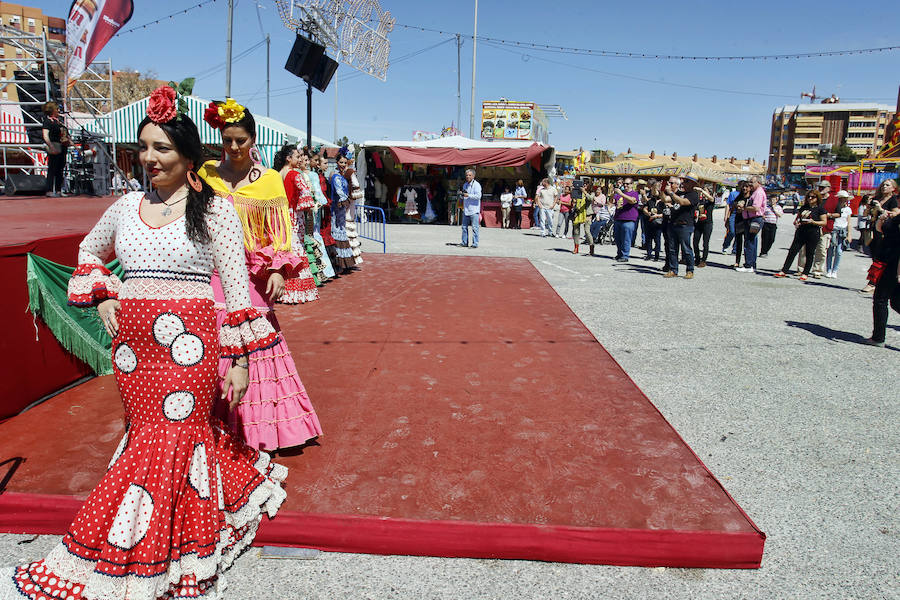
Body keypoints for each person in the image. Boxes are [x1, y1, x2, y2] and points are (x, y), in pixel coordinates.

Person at [1, 85, 287, 599]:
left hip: (192, 347)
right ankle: (157, 528)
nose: (149, 158)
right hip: (135, 350)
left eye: (162, 148)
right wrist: (105, 296)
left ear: (188, 155)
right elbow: (89, 248)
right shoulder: (126, 205)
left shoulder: (215, 211)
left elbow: (238, 290)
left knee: (171, 436)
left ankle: (145, 543)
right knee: (148, 438)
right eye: (144, 147)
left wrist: (240, 360)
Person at [200, 98, 322, 450]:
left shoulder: (268, 181)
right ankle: (214, 424)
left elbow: (282, 233)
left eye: (241, 140)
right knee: (216, 341)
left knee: (256, 345)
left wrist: (281, 271)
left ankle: (268, 431)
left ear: (253, 139)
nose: (235, 147)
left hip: (253, 278)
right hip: (212, 273)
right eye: (228, 141)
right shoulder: (206, 175)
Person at [273, 143, 319, 303]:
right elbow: (306, 195)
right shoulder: (295, 174)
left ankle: (281, 289)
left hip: (278, 216)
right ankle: (296, 292)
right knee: (296, 248)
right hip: (293, 215)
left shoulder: (276, 174)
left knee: (283, 249)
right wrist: (307, 207)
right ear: (288, 158)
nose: (300, 159)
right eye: (297, 156)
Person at [774, 190, 828, 281]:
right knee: (792, 251)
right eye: (809, 197)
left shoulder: (820, 209)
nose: (810, 198)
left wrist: (814, 222)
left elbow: (824, 222)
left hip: (813, 231)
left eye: (813, 197)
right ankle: (784, 270)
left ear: (817, 198)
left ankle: (805, 273)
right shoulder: (804, 207)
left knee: (809, 253)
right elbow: (797, 218)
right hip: (801, 231)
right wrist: (796, 222)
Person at [866, 207, 900, 346]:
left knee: (881, 299)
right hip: (886, 260)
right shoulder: (896, 215)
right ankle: (878, 337)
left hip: (893, 264)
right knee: (896, 301)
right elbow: (880, 230)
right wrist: (883, 218)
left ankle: (878, 338)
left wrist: (899, 271)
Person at [860, 179, 899, 293]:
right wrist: (868, 208)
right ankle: (876, 281)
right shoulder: (877, 199)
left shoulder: (893, 200)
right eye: (883, 185)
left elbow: (895, 214)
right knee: (874, 255)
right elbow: (865, 214)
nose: (884, 187)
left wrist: (881, 210)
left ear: (893, 188)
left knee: (879, 257)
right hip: (872, 229)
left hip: (884, 230)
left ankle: (873, 283)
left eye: (887, 185)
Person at [662, 175, 699, 279]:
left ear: (693, 184)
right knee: (672, 249)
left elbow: (682, 202)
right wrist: (662, 189)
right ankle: (673, 270)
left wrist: (671, 192)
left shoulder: (693, 194)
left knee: (686, 249)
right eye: (684, 181)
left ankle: (690, 270)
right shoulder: (680, 193)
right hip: (673, 223)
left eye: (687, 181)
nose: (684, 183)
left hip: (685, 224)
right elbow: (665, 199)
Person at [328, 149, 358, 271]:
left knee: (342, 230)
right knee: (337, 229)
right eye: (341, 162)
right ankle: (338, 263)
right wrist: (345, 199)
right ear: (337, 163)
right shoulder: (335, 176)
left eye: (345, 163)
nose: (343, 165)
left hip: (342, 208)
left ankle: (344, 262)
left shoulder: (342, 176)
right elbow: (339, 191)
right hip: (337, 207)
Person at [804, 180, 835, 277]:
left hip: (825, 228)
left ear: (829, 188)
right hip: (810, 228)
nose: (821, 189)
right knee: (805, 249)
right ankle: (802, 269)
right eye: (820, 187)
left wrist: (828, 215)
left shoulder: (834, 200)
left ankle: (817, 270)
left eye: (823, 187)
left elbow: (839, 213)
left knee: (821, 250)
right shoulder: (815, 198)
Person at [737, 175, 766, 273]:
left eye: (752, 182)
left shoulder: (758, 193)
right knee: (752, 241)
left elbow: (756, 208)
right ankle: (752, 264)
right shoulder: (756, 192)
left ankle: (748, 264)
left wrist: (744, 207)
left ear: (758, 182)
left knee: (749, 241)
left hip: (754, 219)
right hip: (752, 218)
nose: (750, 185)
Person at [41, 101, 69, 197]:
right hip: (54, 145)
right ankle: (49, 190)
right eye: (56, 109)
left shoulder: (59, 121)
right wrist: (51, 146)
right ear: (52, 110)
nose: (58, 110)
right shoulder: (48, 121)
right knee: (52, 168)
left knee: (60, 168)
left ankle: (58, 190)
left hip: (62, 146)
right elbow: (45, 135)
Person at [825, 190, 853, 278]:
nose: (843, 201)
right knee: (830, 250)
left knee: (839, 251)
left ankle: (835, 270)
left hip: (842, 231)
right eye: (842, 199)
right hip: (833, 229)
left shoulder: (848, 210)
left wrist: (849, 235)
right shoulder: (834, 208)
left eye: (845, 199)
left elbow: (849, 222)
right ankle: (828, 270)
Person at [612, 178, 639, 262]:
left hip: (628, 220)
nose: (625, 185)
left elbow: (632, 201)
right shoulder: (620, 193)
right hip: (618, 218)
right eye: (624, 184)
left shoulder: (634, 193)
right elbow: (612, 201)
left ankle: (625, 255)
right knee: (617, 238)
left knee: (626, 239)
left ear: (631, 184)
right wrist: (612, 193)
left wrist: (621, 194)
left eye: (627, 184)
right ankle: (619, 253)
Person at [692, 183, 716, 267]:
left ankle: (703, 260)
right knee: (695, 241)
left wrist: (702, 190)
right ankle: (697, 258)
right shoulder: (700, 201)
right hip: (699, 222)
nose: (703, 193)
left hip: (707, 223)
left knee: (705, 243)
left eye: (705, 191)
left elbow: (711, 199)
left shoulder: (710, 200)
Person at [729, 181, 752, 268]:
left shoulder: (751, 198)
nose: (744, 188)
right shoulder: (739, 196)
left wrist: (744, 207)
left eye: (746, 187)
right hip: (738, 220)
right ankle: (737, 261)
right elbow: (733, 205)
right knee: (738, 241)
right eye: (743, 187)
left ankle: (748, 262)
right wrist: (737, 206)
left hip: (747, 220)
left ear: (749, 188)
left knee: (748, 242)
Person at [460, 168, 482, 248]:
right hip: (466, 209)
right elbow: (464, 194)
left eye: (469, 175)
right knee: (464, 227)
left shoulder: (477, 185)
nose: (468, 177)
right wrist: (462, 195)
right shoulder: (465, 184)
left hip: (474, 209)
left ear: (473, 176)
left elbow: (478, 196)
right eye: (466, 175)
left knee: (475, 227)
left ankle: (475, 243)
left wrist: (468, 195)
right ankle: (464, 242)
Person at [642, 184, 664, 261]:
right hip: (649, 221)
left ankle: (657, 255)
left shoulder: (663, 202)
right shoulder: (650, 200)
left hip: (658, 223)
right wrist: (647, 212)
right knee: (648, 239)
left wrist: (657, 216)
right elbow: (645, 208)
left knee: (657, 239)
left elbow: (665, 213)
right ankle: (649, 254)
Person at [570, 186, 590, 255]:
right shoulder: (576, 193)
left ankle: (591, 248)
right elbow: (572, 201)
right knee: (576, 231)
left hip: (586, 214)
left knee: (587, 232)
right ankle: (576, 247)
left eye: (585, 185)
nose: (583, 187)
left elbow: (590, 198)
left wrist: (584, 191)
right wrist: (573, 192)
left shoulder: (590, 192)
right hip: (577, 213)